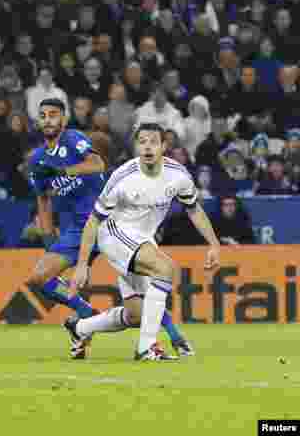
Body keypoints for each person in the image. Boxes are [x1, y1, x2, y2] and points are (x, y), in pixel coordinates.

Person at [67, 123, 221, 361]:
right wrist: (82, 265)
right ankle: (146, 348)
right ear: (136, 146)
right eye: (142, 142)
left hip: (143, 241)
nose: (148, 147)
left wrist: (214, 244)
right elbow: (93, 221)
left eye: (153, 142)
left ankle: (79, 329)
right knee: (165, 268)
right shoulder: (123, 177)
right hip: (114, 235)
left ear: (164, 146)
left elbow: (194, 209)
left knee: (135, 316)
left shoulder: (178, 176)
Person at [24, 97, 108, 358]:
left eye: (53, 114)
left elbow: (98, 164)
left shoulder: (72, 138)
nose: (47, 119)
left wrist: (64, 171)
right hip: (75, 231)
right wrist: (48, 238)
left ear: (63, 119)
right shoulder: (37, 158)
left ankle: (156, 340)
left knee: (141, 280)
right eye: (43, 115)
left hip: (105, 222)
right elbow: (43, 199)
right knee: (39, 277)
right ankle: (85, 315)